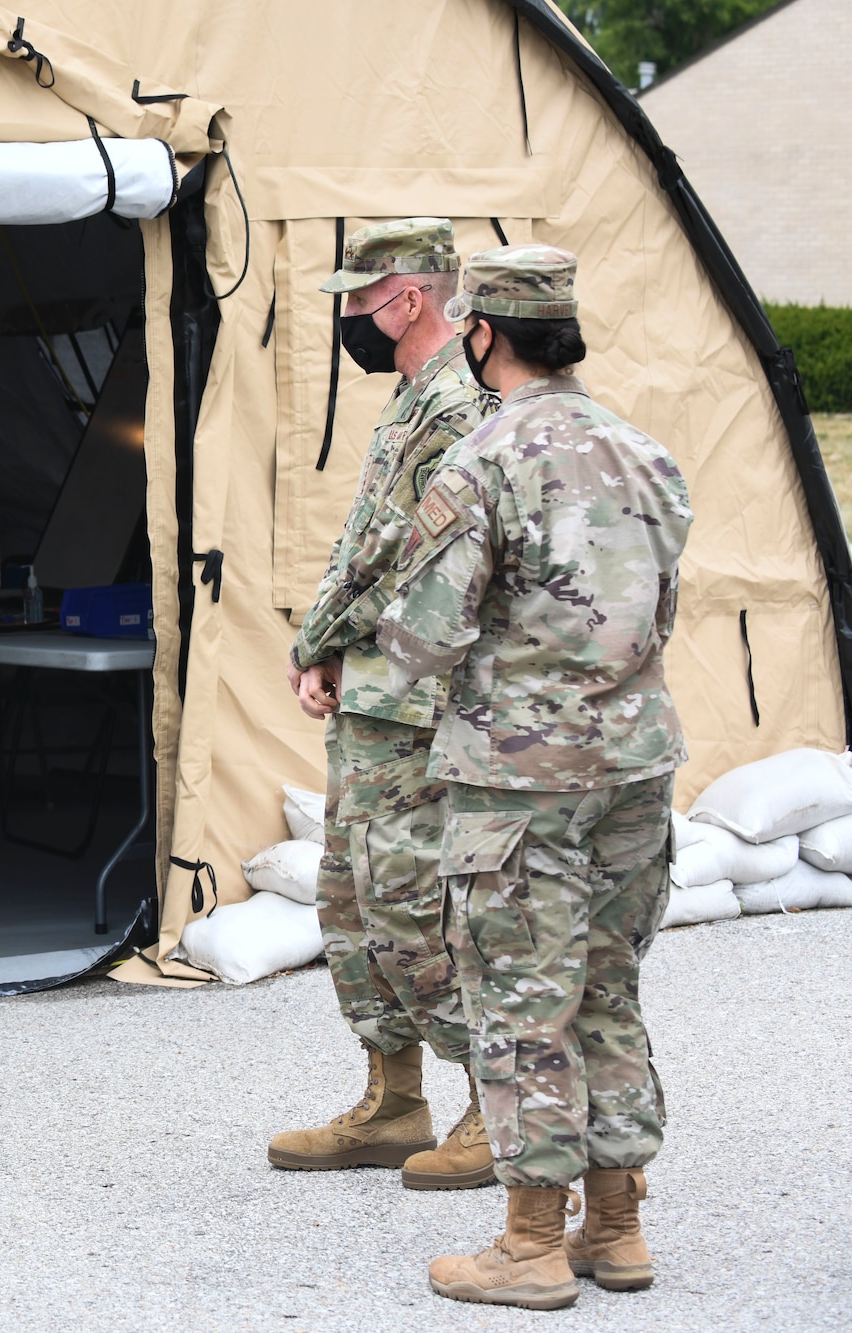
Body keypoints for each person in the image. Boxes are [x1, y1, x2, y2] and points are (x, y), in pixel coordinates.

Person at [377, 245, 691, 1310]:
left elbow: (420, 636)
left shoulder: (482, 460)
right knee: (606, 987)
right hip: (633, 766)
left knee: (521, 995)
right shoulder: (644, 453)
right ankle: (616, 1227)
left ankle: (527, 1245)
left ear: (479, 335)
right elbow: (655, 612)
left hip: (519, 783)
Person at [270, 218, 494, 1189]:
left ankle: (497, 1105)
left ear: (405, 297)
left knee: (418, 903)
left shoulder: (456, 406)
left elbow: (396, 552)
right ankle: (393, 1100)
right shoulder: (410, 400)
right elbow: (357, 536)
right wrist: (331, 654)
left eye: (357, 300)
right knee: (350, 899)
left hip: (422, 693)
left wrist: (315, 636)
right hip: (373, 690)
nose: (348, 319)